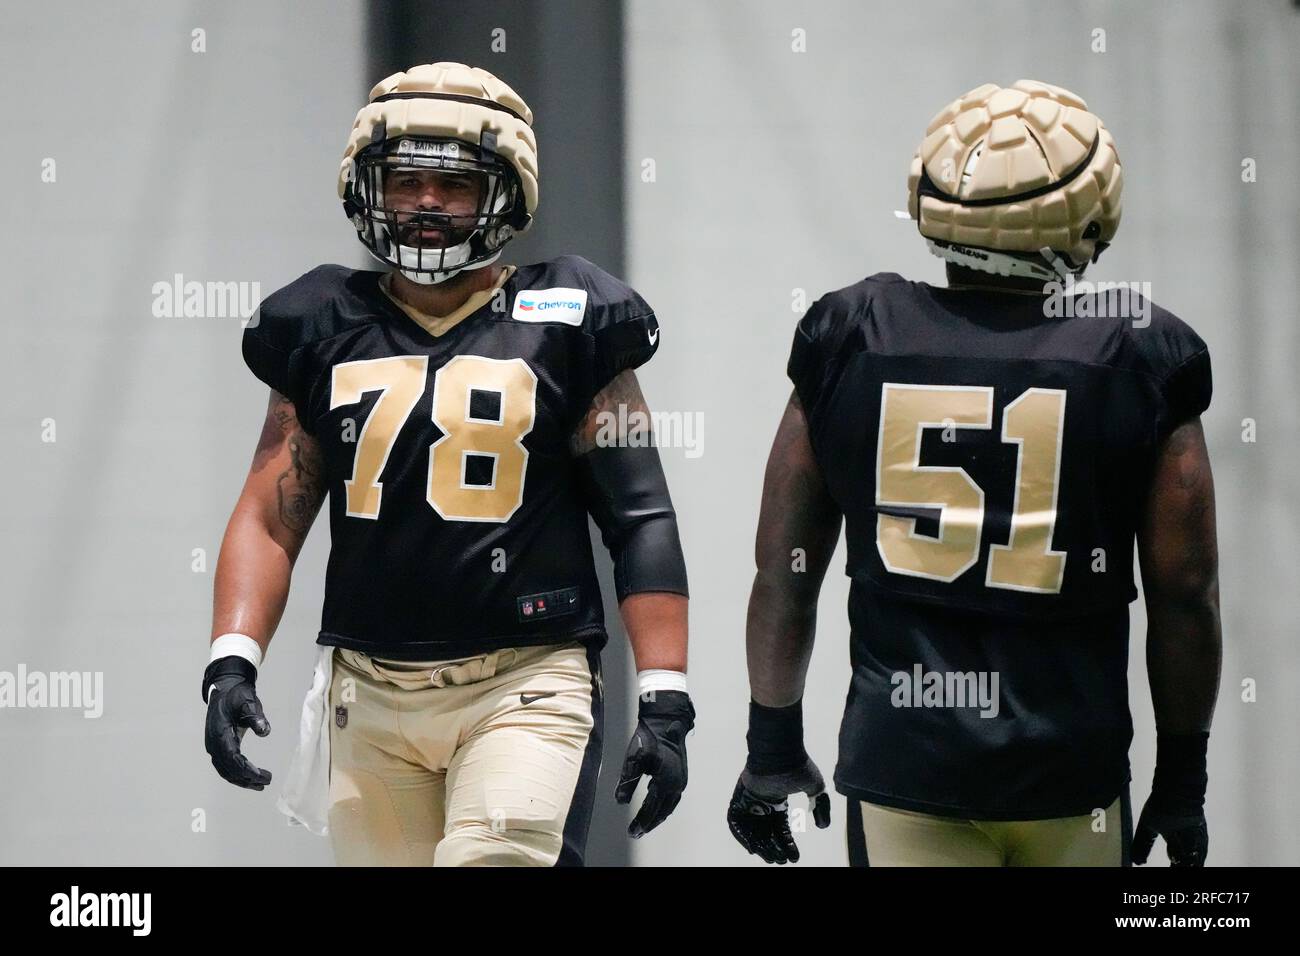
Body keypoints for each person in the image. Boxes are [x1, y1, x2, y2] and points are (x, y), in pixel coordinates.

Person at [202, 62, 694, 866]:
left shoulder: (569, 314)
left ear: (504, 193)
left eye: (452, 183)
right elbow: (271, 513)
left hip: (525, 683)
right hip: (370, 690)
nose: (425, 201)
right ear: (369, 186)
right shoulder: (323, 321)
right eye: (405, 179)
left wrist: (665, 695)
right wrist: (231, 660)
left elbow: (641, 518)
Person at [727, 80, 1219, 867]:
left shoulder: (852, 332)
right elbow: (1185, 593)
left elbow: (784, 570)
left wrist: (772, 746)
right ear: (1088, 207)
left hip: (904, 769)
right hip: (1072, 775)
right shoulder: (1139, 350)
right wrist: (1183, 780)